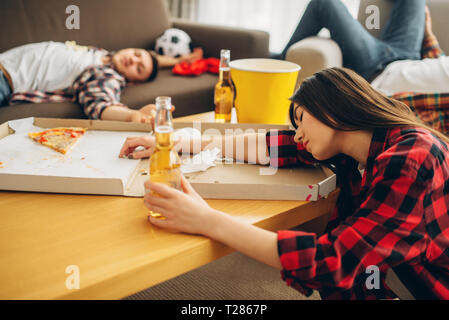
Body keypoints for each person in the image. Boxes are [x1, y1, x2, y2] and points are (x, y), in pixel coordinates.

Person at [119, 67, 449, 299]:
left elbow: (331, 261)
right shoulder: (363, 148)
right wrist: (178, 142)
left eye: (302, 117)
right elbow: (272, 144)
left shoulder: (412, 158)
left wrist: (207, 220)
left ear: (333, 107)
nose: (298, 133)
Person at [276, 0, 449, 135]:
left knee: (324, 3)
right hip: (408, 54)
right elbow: (438, 66)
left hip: (375, 72)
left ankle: (274, 66)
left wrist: (370, 100)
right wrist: (428, 35)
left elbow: (413, 116)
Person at [0, 41, 203, 123]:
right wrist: (177, 61)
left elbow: (100, 104)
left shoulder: (105, 75)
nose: (133, 60)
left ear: (131, 82)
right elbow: (150, 58)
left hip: (5, 80)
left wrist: (133, 115)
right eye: (136, 54)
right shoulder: (104, 54)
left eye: (138, 69)